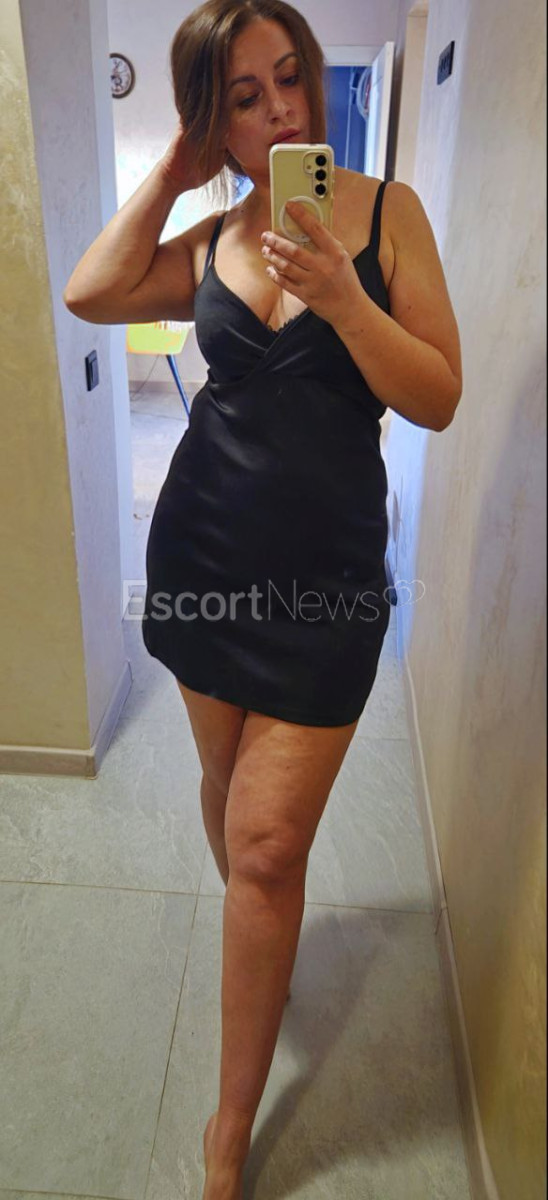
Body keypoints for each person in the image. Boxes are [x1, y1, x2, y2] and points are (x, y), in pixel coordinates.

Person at [64, 2, 462, 1195]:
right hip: (203, 558)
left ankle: (230, 1124)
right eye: (243, 97)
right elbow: (90, 292)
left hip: (327, 579)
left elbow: (436, 395)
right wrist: (172, 173)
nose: (282, 109)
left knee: (269, 838)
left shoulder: (388, 216)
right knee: (227, 790)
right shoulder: (212, 239)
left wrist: (345, 299)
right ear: (214, 123)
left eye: (289, 77)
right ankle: (259, 923)